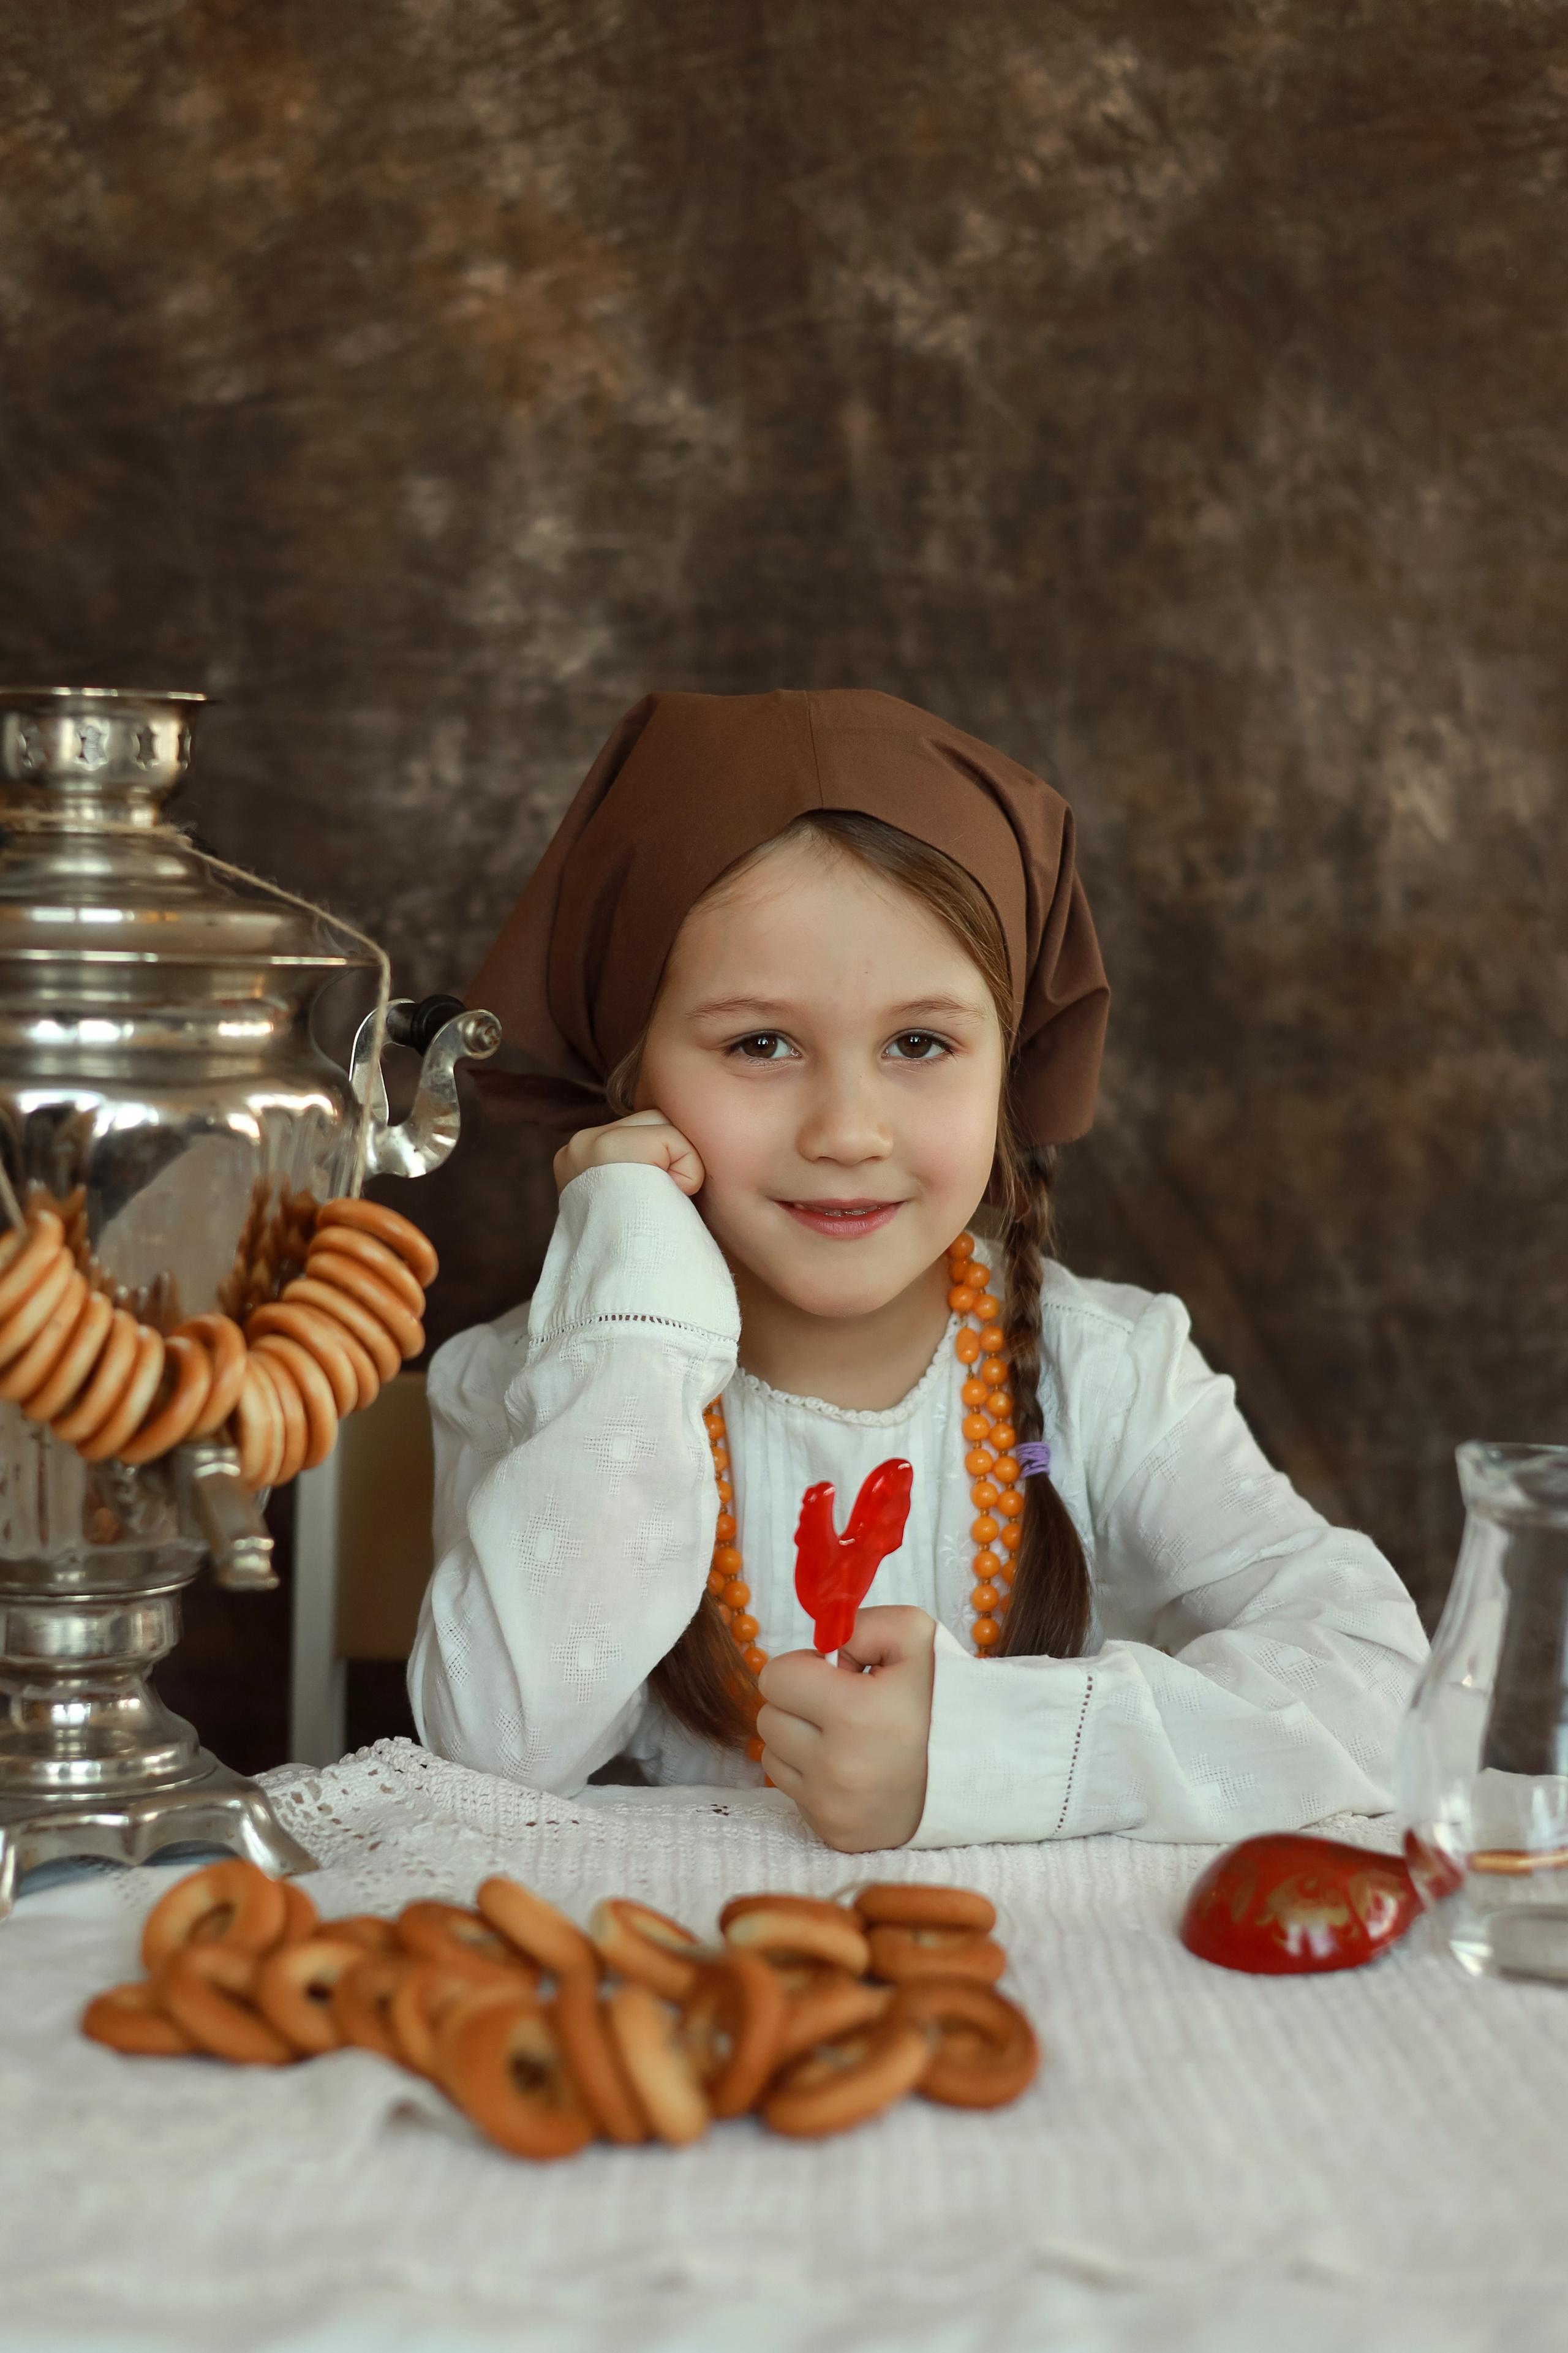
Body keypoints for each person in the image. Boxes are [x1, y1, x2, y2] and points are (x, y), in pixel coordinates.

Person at [409, 689, 1426, 1853]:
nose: (850, 1128)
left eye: (920, 1044)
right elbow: (494, 1756)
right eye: (760, 1043)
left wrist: (994, 1751)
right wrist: (632, 1303)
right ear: (634, 1080)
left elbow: (1379, 1682)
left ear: (1008, 1073)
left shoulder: (1111, 1377)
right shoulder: (546, 1381)